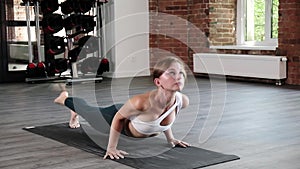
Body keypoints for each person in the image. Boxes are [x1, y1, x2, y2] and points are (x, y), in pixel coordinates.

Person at [54, 56, 190, 160]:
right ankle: (64, 98)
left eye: (181, 73)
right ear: (158, 82)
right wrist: (111, 148)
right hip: (112, 117)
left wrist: (171, 139)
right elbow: (118, 118)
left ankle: (74, 110)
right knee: (87, 110)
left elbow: (165, 116)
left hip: (130, 114)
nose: (178, 77)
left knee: (86, 110)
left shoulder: (182, 101)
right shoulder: (140, 102)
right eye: (171, 73)